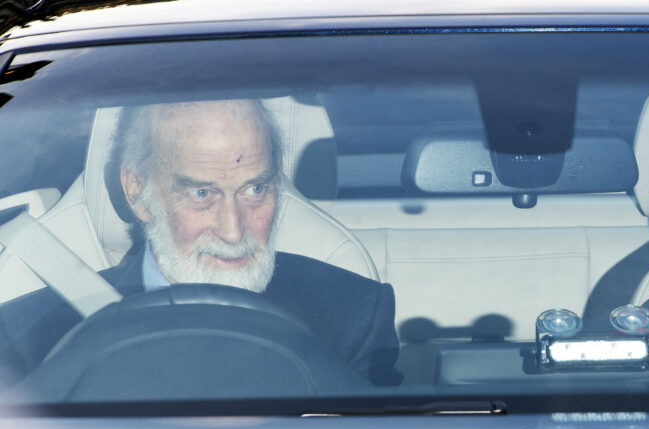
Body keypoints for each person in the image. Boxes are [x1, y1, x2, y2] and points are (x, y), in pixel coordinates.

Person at [0, 99, 401, 387]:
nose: (233, 231)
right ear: (137, 192)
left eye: (255, 189)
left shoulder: (354, 316)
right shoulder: (29, 336)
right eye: (202, 194)